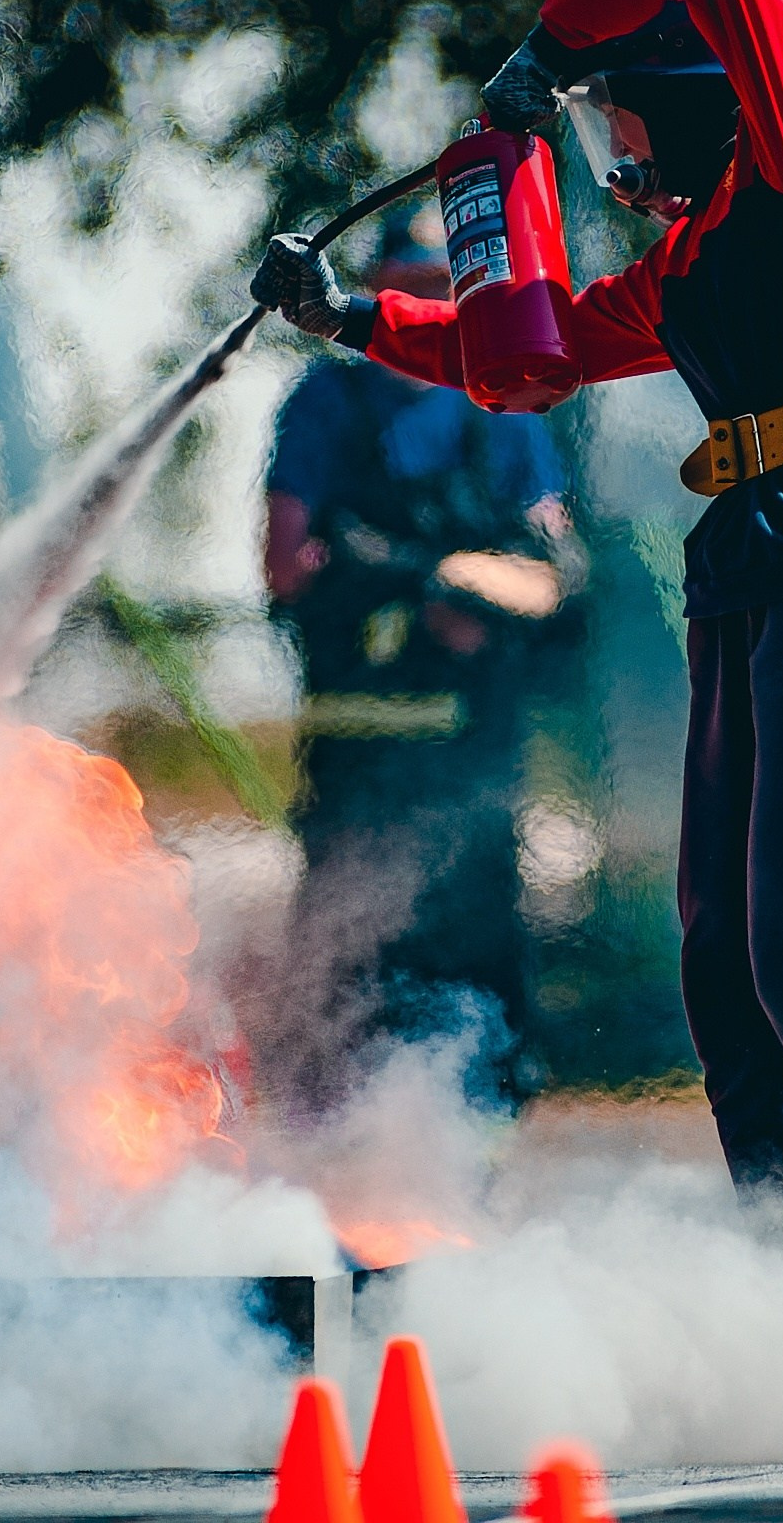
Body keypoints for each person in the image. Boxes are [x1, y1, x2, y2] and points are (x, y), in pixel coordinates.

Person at [254, 0, 783, 1452]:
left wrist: (542, 60)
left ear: (690, 102)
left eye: (622, 131)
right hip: (749, 577)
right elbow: (523, 359)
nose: (610, 168)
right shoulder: (687, 263)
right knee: (723, 967)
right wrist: (346, 320)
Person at [257, 217, 583, 1103]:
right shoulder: (328, 402)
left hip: (475, 760)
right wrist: (404, 586)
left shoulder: (502, 401)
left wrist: (456, 587)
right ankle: (329, 1148)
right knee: (345, 954)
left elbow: (554, 574)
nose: (418, 305)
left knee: (476, 950)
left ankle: (460, 1144)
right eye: (403, 284)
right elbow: (286, 569)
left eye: (438, 288)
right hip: (358, 761)